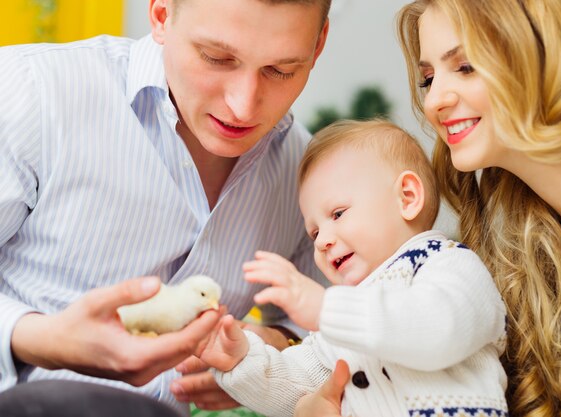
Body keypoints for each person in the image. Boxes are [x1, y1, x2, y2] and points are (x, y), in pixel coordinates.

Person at [295, 1, 561, 417]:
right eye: (428, 79)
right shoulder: (518, 236)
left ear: (539, 52)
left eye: (466, 67)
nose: (434, 101)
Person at [0, 0, 331, 415]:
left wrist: (268, 356)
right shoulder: (30, 91)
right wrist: (42, 339)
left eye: (281, 70)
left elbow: (331, 325)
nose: (244, 105)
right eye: (216, 58)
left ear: (318, 45)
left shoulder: (309, 173)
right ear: (160, 15)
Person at [198, 119, 509, 417]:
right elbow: (297, 387)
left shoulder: (449, 263)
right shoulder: (340, 320)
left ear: (407, 197)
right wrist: (241, 361)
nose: (322, 242)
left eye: (337, 214)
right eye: (314, 232)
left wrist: (325, 310)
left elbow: (441, 328)